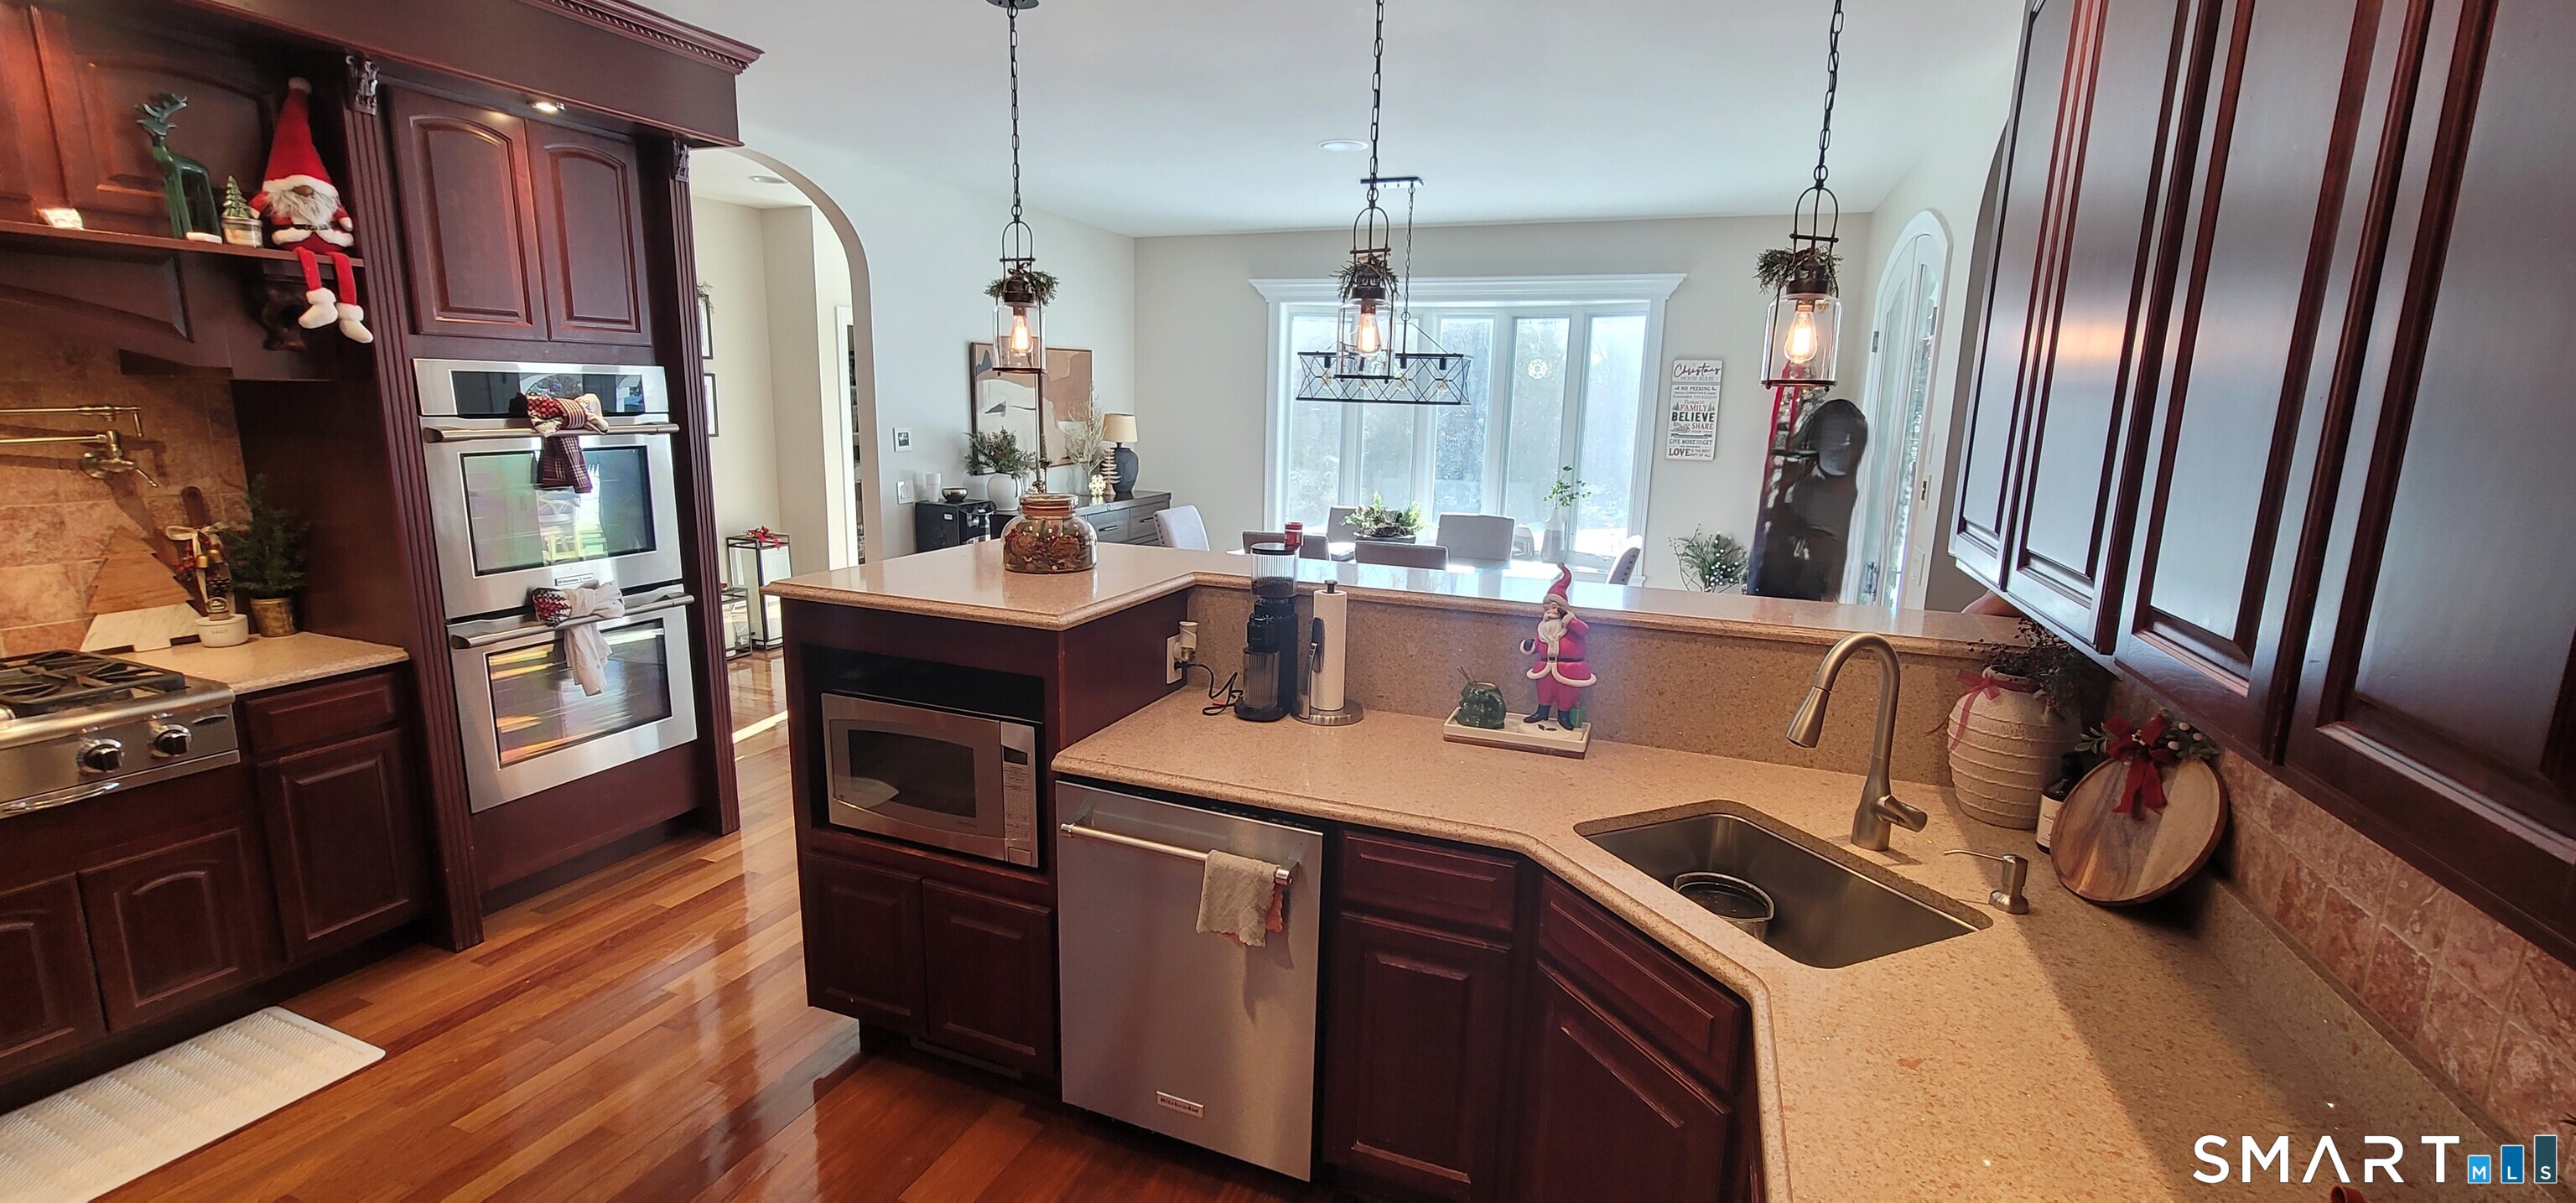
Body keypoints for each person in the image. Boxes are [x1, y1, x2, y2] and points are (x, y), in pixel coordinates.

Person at [1519, 567, 1596, 731]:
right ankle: (1542, 712)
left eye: (1554, 607)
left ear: (1562, 608)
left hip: (1568, 668)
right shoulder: (1544, 627)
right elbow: (1539, 641)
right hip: (1545, 666)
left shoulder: (1571, 624)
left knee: (1567, 692)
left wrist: (1568, 620)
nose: (1550, 612)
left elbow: (1584, 630)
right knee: (1544, 689)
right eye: (1547, 609)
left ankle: (1564, 715)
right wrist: (1530, 645)